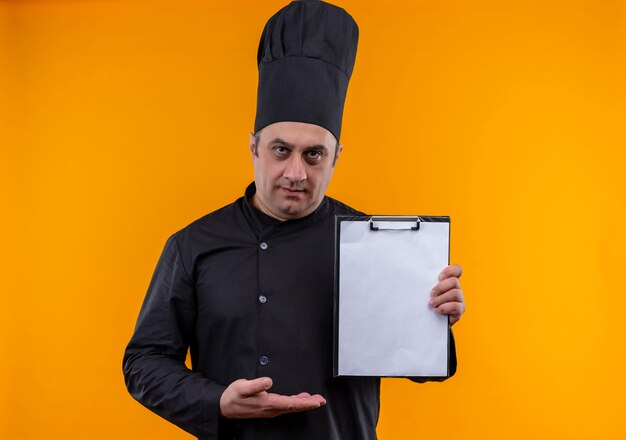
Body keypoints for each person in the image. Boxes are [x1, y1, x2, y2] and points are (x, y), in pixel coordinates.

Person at [123, 1, 466, 439]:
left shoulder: (375, 244)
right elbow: (144, 362)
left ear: (336, 156)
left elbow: (425, 370)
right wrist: (217, 401)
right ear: (253, 146)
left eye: (314, 154)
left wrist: (436, 319)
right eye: (281, 150)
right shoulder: (193, 245)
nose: (296, 173)